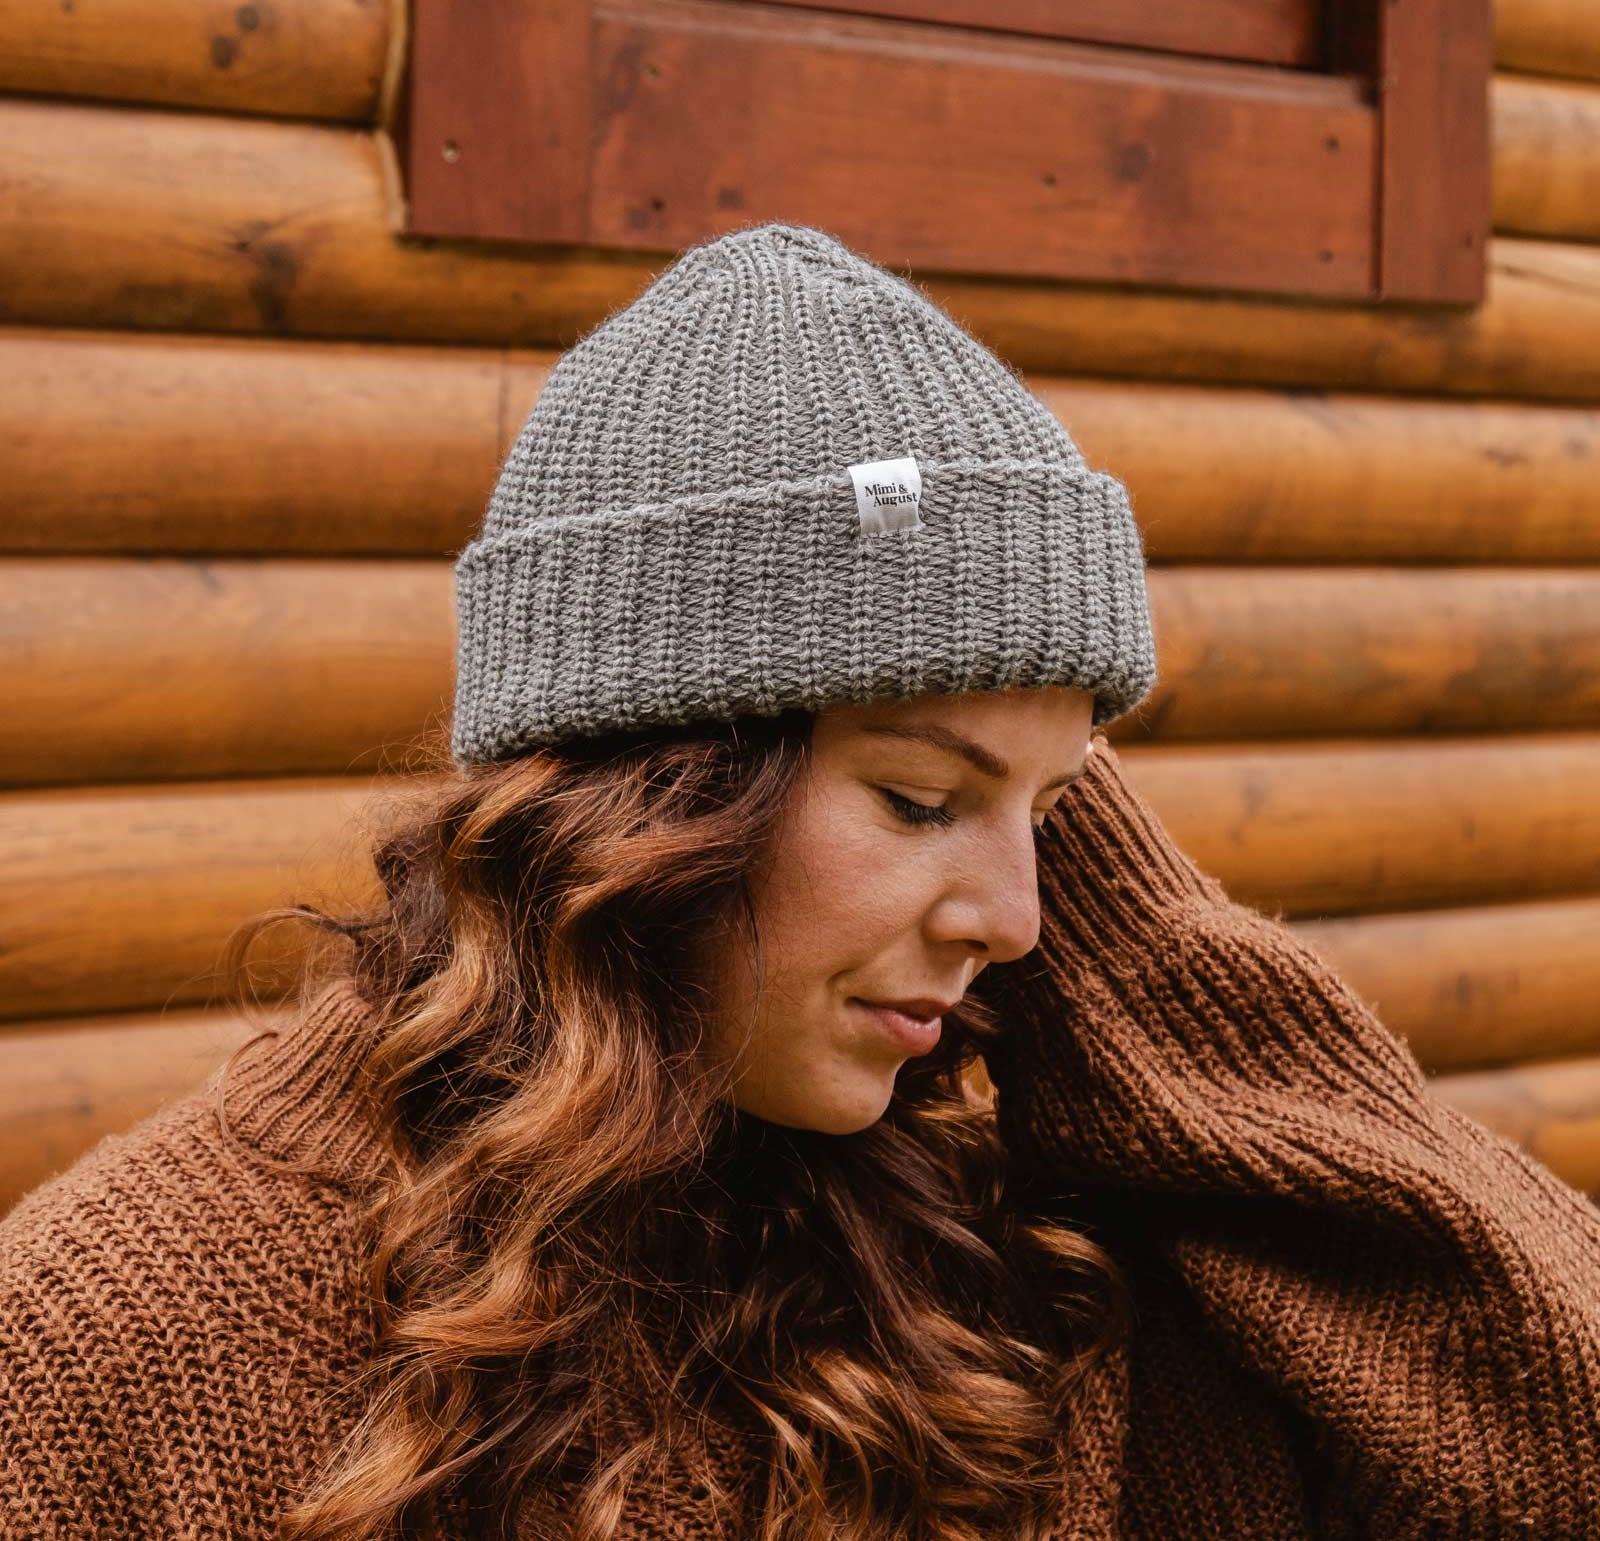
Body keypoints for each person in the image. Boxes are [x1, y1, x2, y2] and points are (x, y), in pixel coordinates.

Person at [2, 219, 1599, 1541]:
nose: (1022, 919)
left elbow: (1554, 1437)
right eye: (919, 794)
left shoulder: (1026, 1285)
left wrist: (1132, 930)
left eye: (1062, 812)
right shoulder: (114, 1334)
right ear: (648, 792)